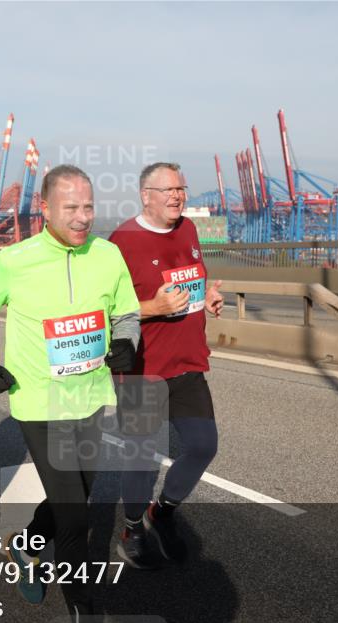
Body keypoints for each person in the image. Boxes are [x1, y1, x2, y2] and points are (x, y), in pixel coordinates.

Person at [0, 165, 139, 623]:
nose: (84, 217)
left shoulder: (108, 256)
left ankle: (24, 544)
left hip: (88, 398)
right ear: (45, 209)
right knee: (74, 517)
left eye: (89, 207)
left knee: (78, 494)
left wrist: (127, 343)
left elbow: (126, 313)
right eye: (72, 208)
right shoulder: (14, 260)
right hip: (38, 401)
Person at [107, 162, 224, 567]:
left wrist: (205, 295)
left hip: (188, 363)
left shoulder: (188, 229)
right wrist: (153, 307)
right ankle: (133, 525)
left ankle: (164, 512)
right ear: (146, 195)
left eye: (181, 188)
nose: (178, 196)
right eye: (168, 190)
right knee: (140, 458)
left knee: (203, 446)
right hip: (142, 371)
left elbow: (191, 279)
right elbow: (103, 311)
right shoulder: (121, 242)